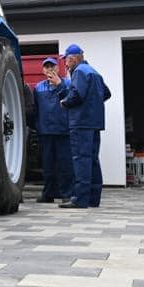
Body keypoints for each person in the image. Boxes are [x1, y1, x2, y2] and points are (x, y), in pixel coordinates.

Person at [58, 44, 111, 209]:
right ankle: (93, 199)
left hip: (80, 123)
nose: (65, 65)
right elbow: (107, 93)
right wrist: (92, 104)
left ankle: (80, 199)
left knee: (80, 159)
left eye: (66, 61)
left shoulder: (79, 71)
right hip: (95, 123)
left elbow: (76, 95)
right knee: (93, 160)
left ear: (72, 58)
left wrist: (64, 102)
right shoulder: (94, 71)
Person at [32, 57, 73, 203]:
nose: (49, 69)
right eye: (46, 67)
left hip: (64, 131)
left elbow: (72, 100)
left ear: (58, 68)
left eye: (52, 66)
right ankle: (49, 194)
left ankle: (67, 194)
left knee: (65, 164)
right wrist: (38, 126)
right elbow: (35, 109)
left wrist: (60, 85)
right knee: (48, 165)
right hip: (45, 132)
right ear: (43, 70)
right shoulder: (38, 87)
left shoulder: (67, 83)